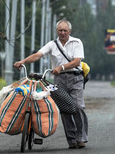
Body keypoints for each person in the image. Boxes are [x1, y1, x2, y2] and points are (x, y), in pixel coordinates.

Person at [13, 19, 88, 149]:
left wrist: (62, 67)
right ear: (57, 31)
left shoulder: (77, 42)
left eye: (65, 30)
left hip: (75, 79)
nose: (63, 33)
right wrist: (23, 61)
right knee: (65, 109)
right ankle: (71, 140)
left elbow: (77, 61)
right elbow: (38, 55)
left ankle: (80, 138)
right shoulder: (52, 44)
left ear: (69, 31)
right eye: (60, 30)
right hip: (59, 80)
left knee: (78, 107)